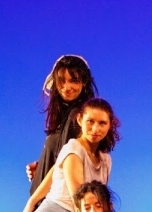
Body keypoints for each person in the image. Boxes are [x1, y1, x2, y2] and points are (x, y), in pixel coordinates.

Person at [26, 55, 99, 196]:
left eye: (74, 80)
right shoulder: (64, 117)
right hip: (47, 203)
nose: (67, 87)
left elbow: (68, 164)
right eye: (61, 81)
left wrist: (31, 204)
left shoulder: (78, 116)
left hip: (54, 205)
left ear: (84, 82)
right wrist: (42, 167)